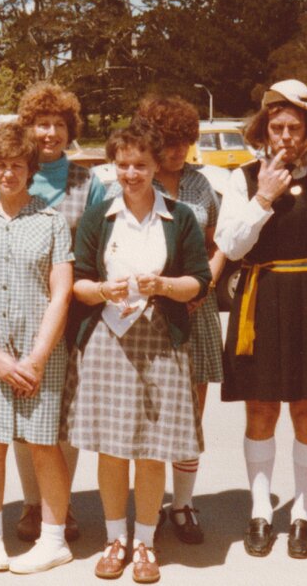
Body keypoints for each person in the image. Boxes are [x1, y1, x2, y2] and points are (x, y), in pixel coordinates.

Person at [63, 121, 210, 583]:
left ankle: (145, 542)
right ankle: (115, 538)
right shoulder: (98, 217)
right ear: (113, 166)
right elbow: (79, 283)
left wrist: (163, 285)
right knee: (111, 449)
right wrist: (103, 291)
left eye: (140, 165)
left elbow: (199, 281)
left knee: (151, 450)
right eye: (123, 164)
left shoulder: (180, 216)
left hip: (161, 341)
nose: (132, 173)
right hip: (108, 340)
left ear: (155, 165)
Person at [215, 79, 307, 560]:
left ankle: (303, 515)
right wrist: (263, 199)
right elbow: (231, 247)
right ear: (264, 130)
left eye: (295, 127)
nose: (286, 136)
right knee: (261, 411)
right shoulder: (243, 179)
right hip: (262, 298)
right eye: (278, 127)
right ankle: (259, 511)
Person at [0, 122, 74, 574]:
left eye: (17, 166)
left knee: (44, 444)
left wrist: (37, 358)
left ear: (30, 171)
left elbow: (60, 292)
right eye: (0, 166)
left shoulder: (50, 222)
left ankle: (54, 539)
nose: (8, 174)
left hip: (37, 354)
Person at [0, 81, 106, 543]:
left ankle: (62, 504)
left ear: (69, 130)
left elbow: (98, 245)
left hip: (74, 308)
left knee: (65, 412)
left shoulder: (88, 181)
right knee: (25, 402)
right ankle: (31, 503)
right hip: (20, 305)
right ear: (29, 127)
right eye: (42, 123)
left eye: (59, 124)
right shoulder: (12, 173)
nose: (49, 133)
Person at [131, 96, 226, 544]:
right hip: (143, 313)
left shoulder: (200, 185)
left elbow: (215, 243)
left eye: (186, 142)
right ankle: (143, 502)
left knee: (190, 410)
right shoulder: (131, 182)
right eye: (170, 142)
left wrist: (203, 286)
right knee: (144, 410)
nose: (178, 152)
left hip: (194, 309)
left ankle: (183, 503)